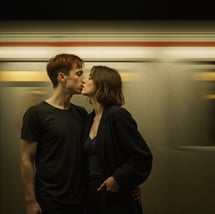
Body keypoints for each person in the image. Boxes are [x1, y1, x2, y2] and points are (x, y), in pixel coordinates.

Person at [20, 53, 88, 214]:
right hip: (49, 201)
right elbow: (26, 158)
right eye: (79, 73)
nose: (84, 79)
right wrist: (31, 200)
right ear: (62, 77)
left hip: (80, 200)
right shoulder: (37, 113)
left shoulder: (81, 114)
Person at [81, 65, 153, 214]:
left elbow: (142, 157)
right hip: (92, 196)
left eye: (89, 77)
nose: (84, 80)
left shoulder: (117, 116)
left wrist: (118, 178)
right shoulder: (89, 119)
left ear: (102, 83)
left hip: (115, 198)